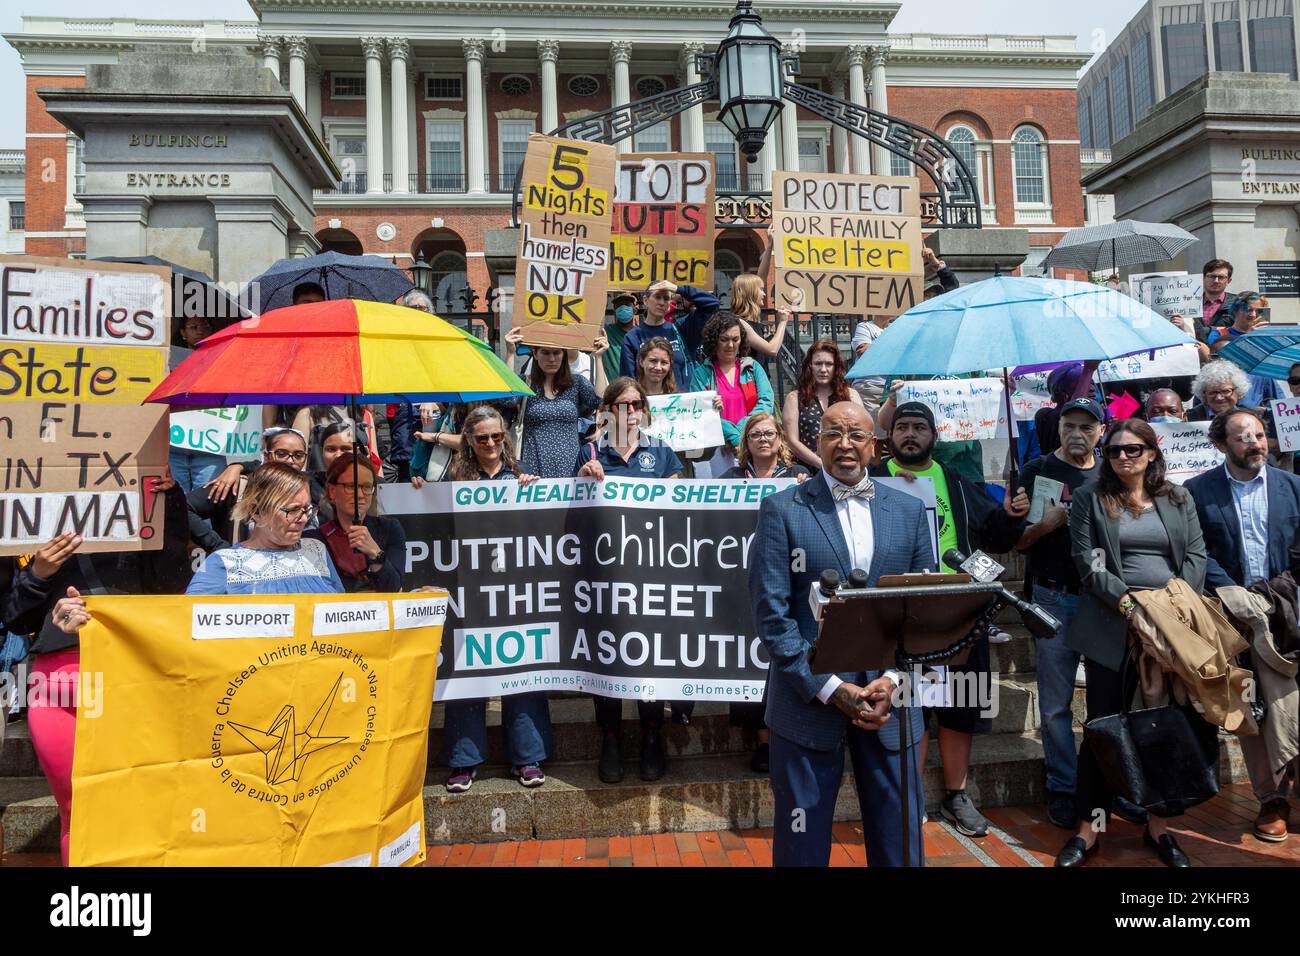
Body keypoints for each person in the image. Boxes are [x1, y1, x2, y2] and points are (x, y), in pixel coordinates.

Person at [750, 402, 934, 866]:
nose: (845, 444)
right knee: (801, 845)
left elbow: (923, 612)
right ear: (818, 443)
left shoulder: (910, 512)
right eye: (833, 433)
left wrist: (893, 680)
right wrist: (828, 689)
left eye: (857, 434)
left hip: (889, 704)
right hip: (806, 702)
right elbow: (772, 617)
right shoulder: (781, 510)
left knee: (900, 842)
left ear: (875, 445)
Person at [867, 400, 1028, 838]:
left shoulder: (954, 481)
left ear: (934, 437)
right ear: (890, 436)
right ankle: (909, 793)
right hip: (901, 610)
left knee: (960, 703)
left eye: (920, 427)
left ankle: (957, 794)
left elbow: (993, 535)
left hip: (957, 609)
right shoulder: (872, 478)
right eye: (902, 427)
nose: (911, 434)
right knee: (907, 703)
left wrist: (1013, 516)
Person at [1056, 419, 1206, 868]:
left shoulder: (1178, 498)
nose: (1123, 457)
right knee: (1104, 728)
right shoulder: (1089, 499)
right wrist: (1131, 609)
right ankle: (1091, 827)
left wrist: (1173, 608)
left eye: (1133, 450)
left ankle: (1159, 828)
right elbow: (1089, 563)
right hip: (1112, 627)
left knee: (1165, 727)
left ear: (1152, 453)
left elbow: (1197, 555)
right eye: (1116, 451)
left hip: (1171, 628)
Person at [1186, 408, 1300, 842]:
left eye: (1259, 434)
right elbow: (1197, 552)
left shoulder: (1294, 488)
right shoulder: (1199, 491)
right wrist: (1234, 592)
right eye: (1242, 436)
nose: (1254, 442)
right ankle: (1271, 798)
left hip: (1290, 613)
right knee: (1255, 709)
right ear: (1220, 445)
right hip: (1235, 618)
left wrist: (1278, 592)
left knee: (1293, 704)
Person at [573, 378, 684, 782]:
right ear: (607, 410)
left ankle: (653, 734)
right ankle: (611, 737)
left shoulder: (661, 452)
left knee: (647, 655)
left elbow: (680, 509)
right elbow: (571, 514)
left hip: (652, 573)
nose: (631, 411)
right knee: (608, 657)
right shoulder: (589, 451)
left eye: (637, 403)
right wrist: (584, 477)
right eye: (622, 404)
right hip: (606, 576)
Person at [438, 405, 552, 792]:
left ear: (506, 437)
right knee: (467, 672)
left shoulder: (522, 476)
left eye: (496, 436)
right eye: (482, 437)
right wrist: (419, 493)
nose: (490, 443)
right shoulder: (449, 477)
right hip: (469, 590)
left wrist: (537, 493)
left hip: (517, 590)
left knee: (523, 668)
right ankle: (463, 760)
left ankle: (528, 756)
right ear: (468, 440)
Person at [1011, 397, 1106, 829]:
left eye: (1087, 427)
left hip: (1104, 601)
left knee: (1107, 703)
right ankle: (1064, 787)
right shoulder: (1035, 471)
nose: (1077, 434)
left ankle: (1106, 785)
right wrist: (1046, 525)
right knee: (1054, 706)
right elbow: (1018, 543)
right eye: (1070, 425)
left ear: (1100, 432)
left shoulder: (1113, 470)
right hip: (1052, 597)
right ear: (1059, 428)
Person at [719, 412, 809, 772]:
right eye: (755, 435)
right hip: (741, 578)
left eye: (769, 433)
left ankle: (786, 733)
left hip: (790, 577)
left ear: (780, 439)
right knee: (747, 657)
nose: (763, 440)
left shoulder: (799, 478)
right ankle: (761, 742)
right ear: (746, 443)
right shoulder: (729, 479)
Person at [187, 463, 344, 595]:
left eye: (307, 509)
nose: (303, 519)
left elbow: (340, 611)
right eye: (292, 510)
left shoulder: (316, 550)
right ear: (257, 511)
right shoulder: (225, 563)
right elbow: (190, 620)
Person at [188, 427, 324, 554]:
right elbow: (183, 506)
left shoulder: (311, 486)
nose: (290, 460)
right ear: (266, 456)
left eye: (298, 455)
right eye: (281, 454)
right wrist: (218, 546)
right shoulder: (237, 486)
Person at [505, 327, 608, 478]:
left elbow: (601, 401)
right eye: (545, 353)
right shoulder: (526, 384)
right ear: (535, 353)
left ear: (563, 354)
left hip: (571, 466)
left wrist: (598, 358)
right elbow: (508, 400)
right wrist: (510, 353)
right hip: (533, 467)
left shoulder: (577, 383)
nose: (552, 359)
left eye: (557, 353)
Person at [691, 312, 775, 477]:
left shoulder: (753, 367)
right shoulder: (701, 374)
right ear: (714, 340)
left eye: (735, 339)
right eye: (724, 339)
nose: (730, 345)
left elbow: (766, 402)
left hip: (754, 444)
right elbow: (701, 412)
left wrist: (744, 434)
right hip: (718, 450)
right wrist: (735, 438)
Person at [315, 453, 406, 592]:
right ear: (332, 491)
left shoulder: (390, 529)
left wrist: (375, 553)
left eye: (367, 487)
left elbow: (394, 588)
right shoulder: (317, 536)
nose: (360, 495)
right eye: (351, 486)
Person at [619, 279, 720, 385]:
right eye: (657, 297)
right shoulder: (633, 337)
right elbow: (627, 382)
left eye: (666, 298)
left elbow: (712, 303)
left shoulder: (682, 328)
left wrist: (679, 289)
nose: (662, 303)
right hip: (649, 400)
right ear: (645, 300)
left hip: (684, 400)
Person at [783, 339, 863, 471]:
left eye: (829, 364)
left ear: (836, 366)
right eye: (818, 363)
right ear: (810, 366)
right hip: (807, 471)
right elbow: (792, 442)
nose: (823, 369)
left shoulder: (851, 396)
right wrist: (821, 464)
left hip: (845, 466)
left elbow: (861, 432)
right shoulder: (794, 398)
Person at [728, 272, 792, 359]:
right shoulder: (740, 323)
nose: (764, 294)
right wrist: (783, 322)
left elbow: (766, 347)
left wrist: (778, 320)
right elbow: (772, 350)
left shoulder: (750, 321)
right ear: (749, 292)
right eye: (761, 289)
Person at [849, 315, 893, 421]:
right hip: (869, 388)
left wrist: (874, 346)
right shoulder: (865, 326)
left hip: (892, 389)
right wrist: (893, 347)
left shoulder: (897, 327)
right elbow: (863, 352)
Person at [603, 291, 639, 384]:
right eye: (619, 305)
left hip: (636, 389)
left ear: (635, 310)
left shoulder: (641, 334)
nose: (623, 308)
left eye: (627, 304)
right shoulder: (605, 332)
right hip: (612, 389)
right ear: (614, 310)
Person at [1200, 259, 1237, 335]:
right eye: (1211, 276)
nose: (1216, 281)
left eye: (1221, 277)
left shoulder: (1237, 303)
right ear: (1203, 278)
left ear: (1228, 281)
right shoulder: (1190, 303)